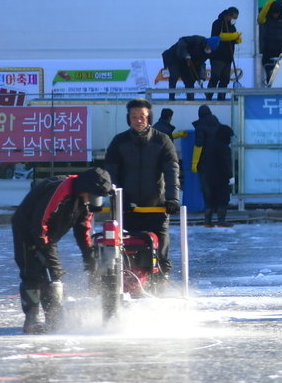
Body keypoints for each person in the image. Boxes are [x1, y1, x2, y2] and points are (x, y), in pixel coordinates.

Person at [10, 167, 113, 334]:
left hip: (47, 235)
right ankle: (32, 321)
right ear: (85, 187)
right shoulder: (61, 190)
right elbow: (40, 222)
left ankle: (54, 319)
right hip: (27, 231)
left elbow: (84, 228)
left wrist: (89, 255)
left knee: (52, 275)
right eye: (92, 194)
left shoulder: (84, 200)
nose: (92, 199)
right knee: (33, 272)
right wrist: (48, 254)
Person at [104, 98, 182, 274]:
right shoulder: (119, 142)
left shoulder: (162, 141)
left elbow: (172, 170)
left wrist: (172, 198)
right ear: (128, 118)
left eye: (142, 117)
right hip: (128, 208)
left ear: (149, 118)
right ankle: (127, 283)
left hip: (156, 206)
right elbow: (111, 173)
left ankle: (162, 280)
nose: (138, 120)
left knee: (160, 250)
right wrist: (119, 199)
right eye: (134, 117)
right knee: (128, 251)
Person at [192, 105, 235, 227]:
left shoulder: (200, 127)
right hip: (219, 168)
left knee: (208, 193)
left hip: (206, 164)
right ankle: (221, 220)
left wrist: (194, 163)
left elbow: (198, 144)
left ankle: (207, 221)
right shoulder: (218, 126)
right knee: (222, 193)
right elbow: (226, 163)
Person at [161, 35, 215, 101]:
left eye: (210, 49)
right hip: (174, 57)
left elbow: (201, 64)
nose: (209, 49)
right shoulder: (197, 40)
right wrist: (185, 54)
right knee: (174, 77)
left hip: (186, 63)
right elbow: (181, 40)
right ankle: (171, 98)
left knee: (190, 80)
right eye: (208, 47)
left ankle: (190, 100)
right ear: (207, 44)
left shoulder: (208, 53)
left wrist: (201, 78)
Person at [207, 7, 241, 101]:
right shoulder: (217, 23)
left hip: (228, 57)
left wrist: (236, 39)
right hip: (217, 56)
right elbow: (217, 37)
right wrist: (231, 36)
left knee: (225, 79)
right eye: (234, 17)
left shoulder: (232, 27)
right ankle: (208, 97)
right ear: (228, 15)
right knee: (215, 76)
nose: (234, 20)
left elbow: (233, 39)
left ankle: (221, 98)